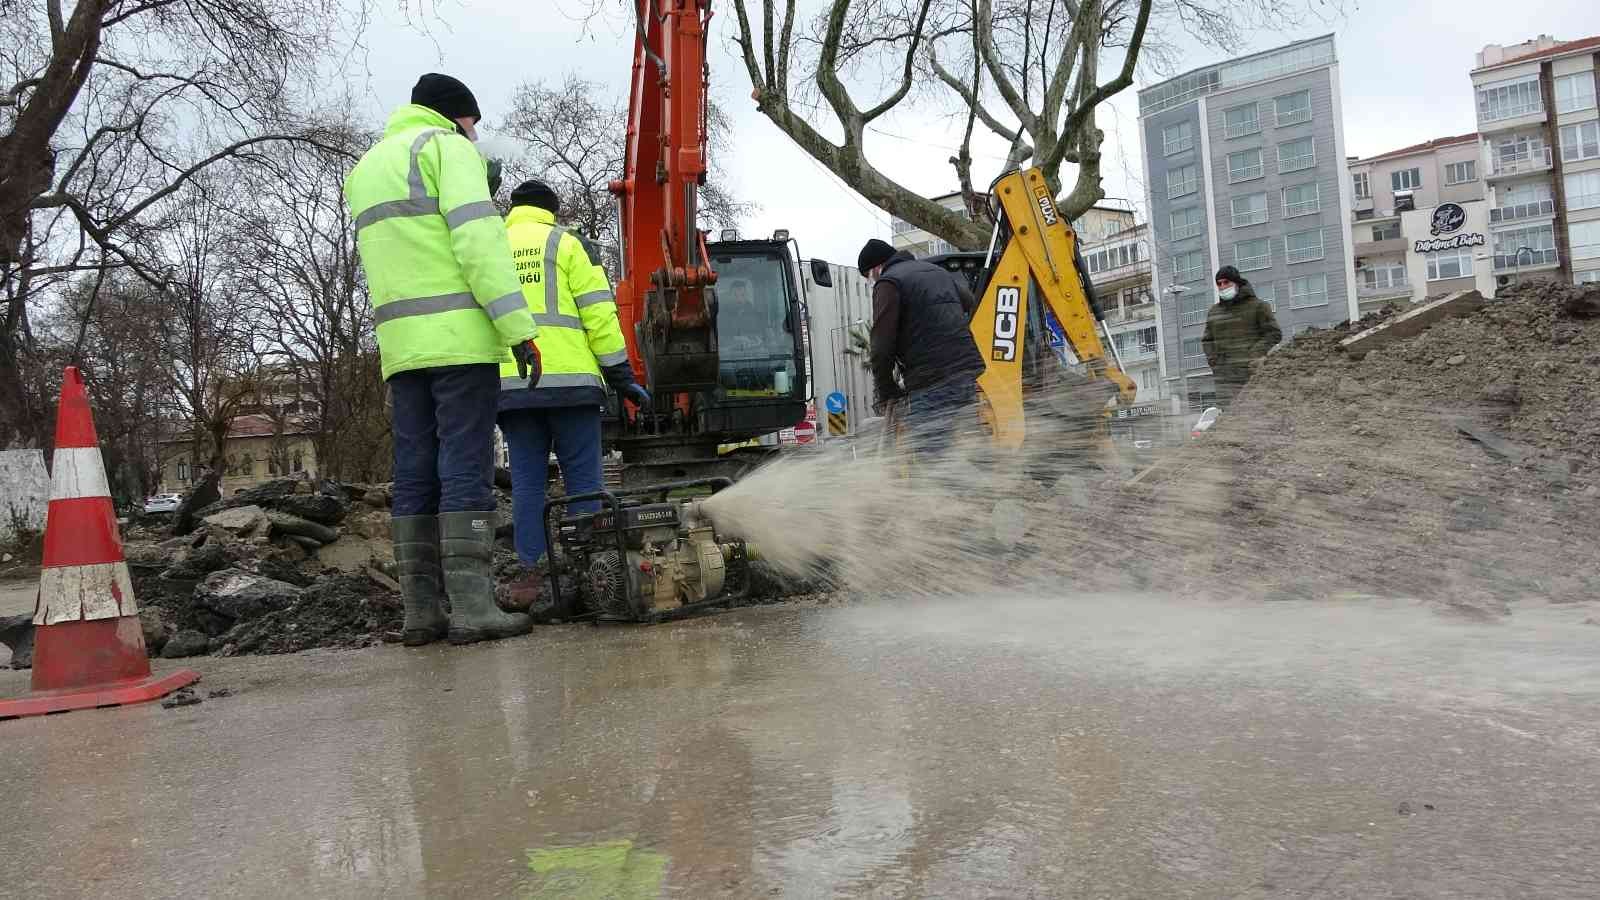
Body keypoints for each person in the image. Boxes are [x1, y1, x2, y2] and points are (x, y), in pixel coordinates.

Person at [344, 73, 541, 647]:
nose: (476, 136)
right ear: (456, 115)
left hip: (402, 349)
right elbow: (479, 247)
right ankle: (474, 607)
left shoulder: (367, 168)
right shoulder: (446, 149)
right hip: (459, 341)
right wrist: (518, 331)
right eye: (473, 124)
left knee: (414, 471)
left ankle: (421, 613)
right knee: (464, 466)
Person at [496, 179, 650, 610]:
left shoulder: (489, 246)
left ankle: (530, 579)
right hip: (572, 387)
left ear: (513, 208)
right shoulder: (566, 245)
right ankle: (592, 575)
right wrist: (621, 377)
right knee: (585, 483)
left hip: (514, 389)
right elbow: (600, 315)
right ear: (552, 210)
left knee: (526, 485)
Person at [857, 238, 985, 460]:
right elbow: (969, 302)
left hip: (931, 379)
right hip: (966, 372)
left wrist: (887, 390)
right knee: (967, 445)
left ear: (876, 268)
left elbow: (881, 345)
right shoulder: (937, 272)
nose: (872, 281)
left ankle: (945, 493)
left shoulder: (888, 282)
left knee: (930, 457)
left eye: (869, 276)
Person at [1201, 265, 1282, 408]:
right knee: (1228, 420)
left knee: (1253, 415)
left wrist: (1254, 355)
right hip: (1224, 379)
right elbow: (1207, 340)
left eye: (1226, 282)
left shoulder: (1258, 306)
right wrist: (1215, 361)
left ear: (1236, 282)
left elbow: (1274, 333)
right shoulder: (1214, 312)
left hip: (1250, 374)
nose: (1222, 286)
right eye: (1219, 283)